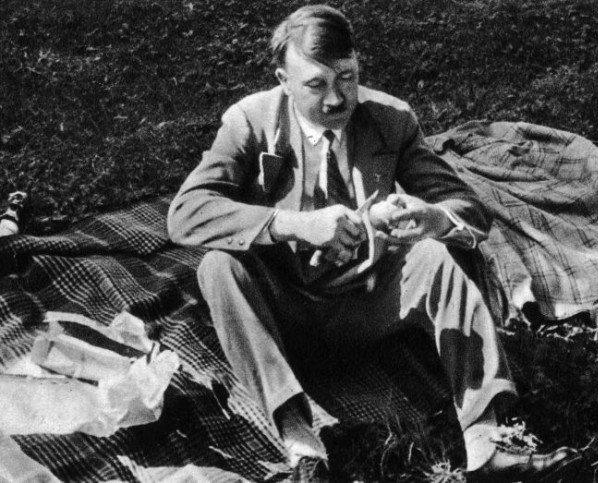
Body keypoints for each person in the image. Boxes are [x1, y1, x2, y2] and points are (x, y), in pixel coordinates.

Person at [168, 5, 577, 482]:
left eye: (347, 77)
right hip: (282, 312)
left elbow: (469, 211)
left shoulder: (390, 119)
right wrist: (293, 225)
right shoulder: (250, 122)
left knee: (435, 255)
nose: (337, 99)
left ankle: (486, 444)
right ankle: (302, 446)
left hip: (368, 301)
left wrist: (431, 218)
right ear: (284, 81)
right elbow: (186, 212)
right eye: (316, 85)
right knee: (218, 268)